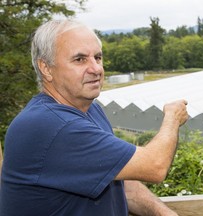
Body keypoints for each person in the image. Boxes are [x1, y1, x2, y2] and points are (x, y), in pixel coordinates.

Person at [0, 20, 188, 216]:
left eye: (97, 58)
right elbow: (154, 166)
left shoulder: (90, 109)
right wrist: (172, 118)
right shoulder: (50, 126)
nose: (96, 69)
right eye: (80, 59)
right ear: (46, 68)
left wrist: (164, 213)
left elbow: (120, 178)